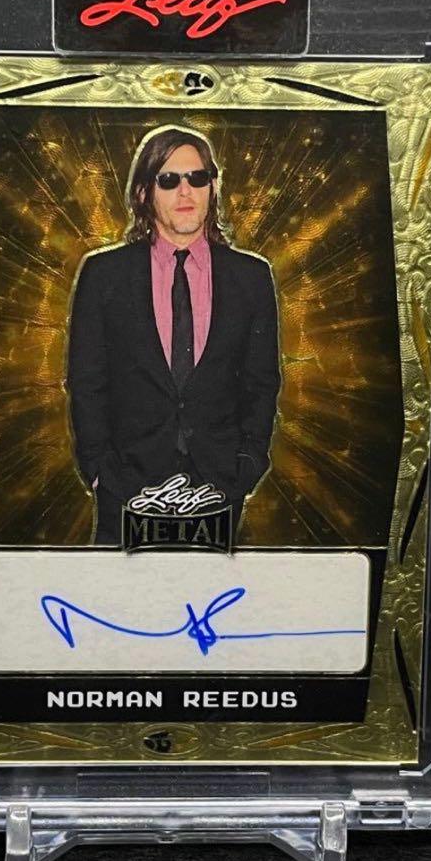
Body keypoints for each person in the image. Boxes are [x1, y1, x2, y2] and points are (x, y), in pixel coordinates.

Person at [66, 124, 281, 545]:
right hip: (126, 487)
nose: (186, 191)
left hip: (219, 486)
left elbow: (262, 382)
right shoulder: (104, 275)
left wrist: (248, 463)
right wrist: (99, 471)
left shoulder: (251, 277)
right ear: (144, 193)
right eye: (169, 180)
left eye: (197, 178)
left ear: (212, 187)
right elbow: (87, 381)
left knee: (213, 590)